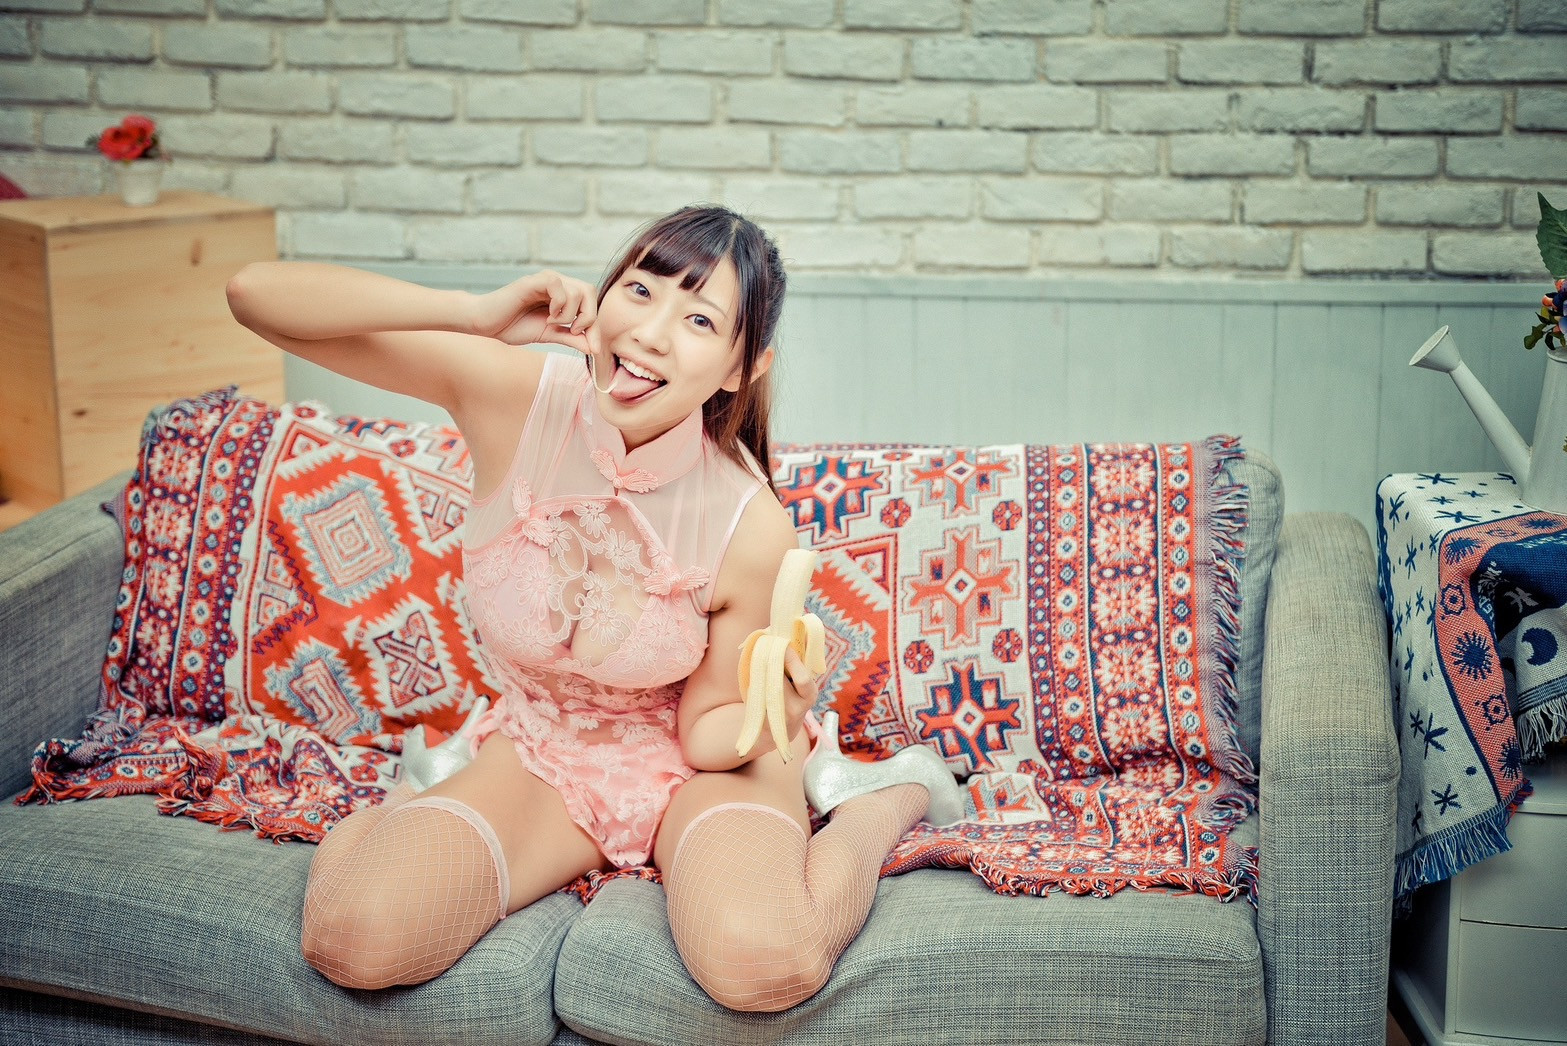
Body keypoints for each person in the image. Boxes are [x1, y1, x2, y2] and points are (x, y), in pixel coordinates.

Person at [225, 205, 964, 1011]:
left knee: (764, 964)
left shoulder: (751, 525)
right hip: (546, 749)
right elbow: (255, 294)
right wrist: (474, 314)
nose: (649, 332)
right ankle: (421, 794)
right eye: (639, 290)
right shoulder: (516, 399)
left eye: (698, 319)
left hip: (703, 765)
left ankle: (882, 800)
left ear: (739, 368)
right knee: (352, 938)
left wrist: (774, 714)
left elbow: (707, 729)